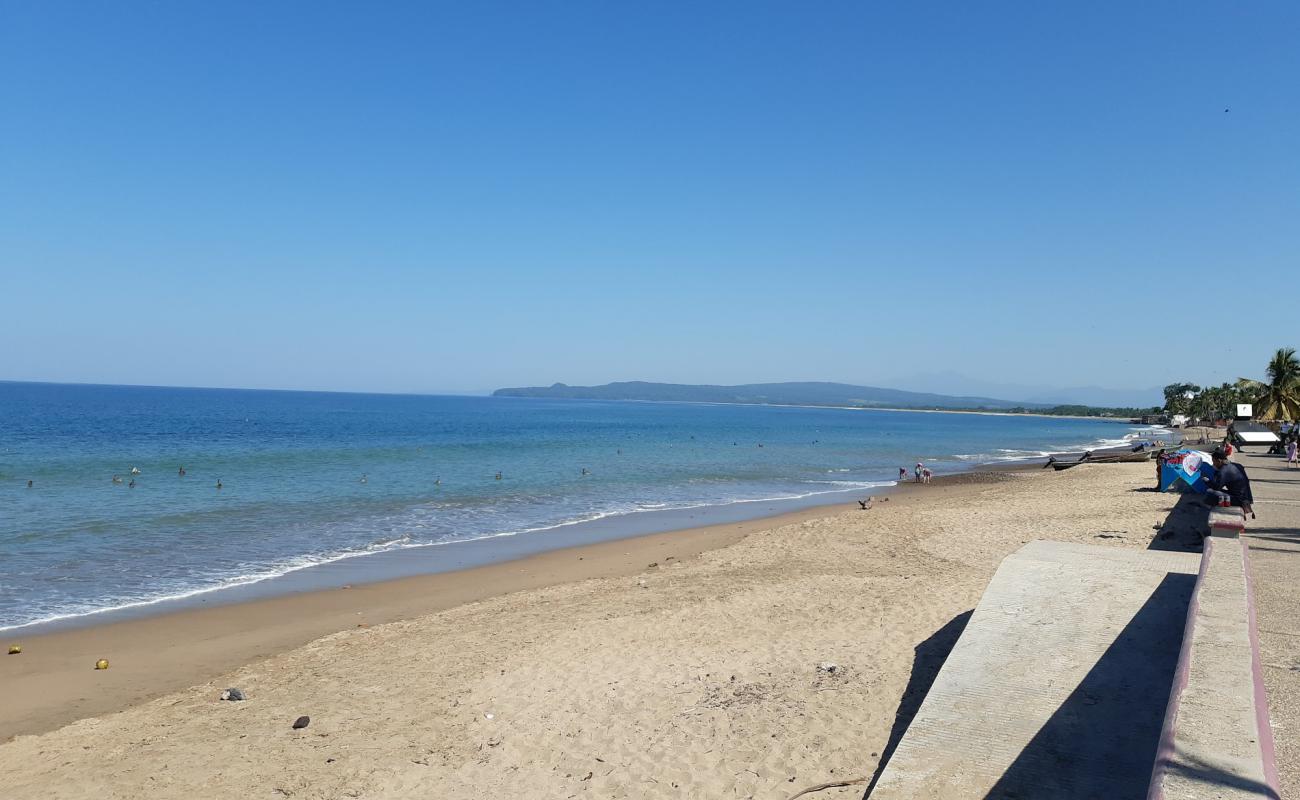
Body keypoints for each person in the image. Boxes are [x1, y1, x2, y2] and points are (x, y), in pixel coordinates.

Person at [1205, 447, 1254, 518]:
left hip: (1239, 501)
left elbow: (1216, 487)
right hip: (1247, 498)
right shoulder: (1237, 465)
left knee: (1209, 493)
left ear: (1219, 461)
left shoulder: (1223, 471)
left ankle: (1224, 506)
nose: (1213, 464)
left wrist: (1207, 481)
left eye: (1214, 462)